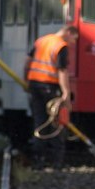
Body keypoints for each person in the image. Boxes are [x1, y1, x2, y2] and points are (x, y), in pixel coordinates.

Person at [25, 21, 79, 165]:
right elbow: (62, 71)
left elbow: (28, 61)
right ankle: (57, 161)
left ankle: (38, 160)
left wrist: (27, 81)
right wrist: (66, 93)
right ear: (68, 33)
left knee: (39, 122)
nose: (73, 43)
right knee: (57, 122)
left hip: (35, 86)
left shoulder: (42, 41)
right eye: (74, 38)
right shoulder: (61, 46)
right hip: (51, 88)